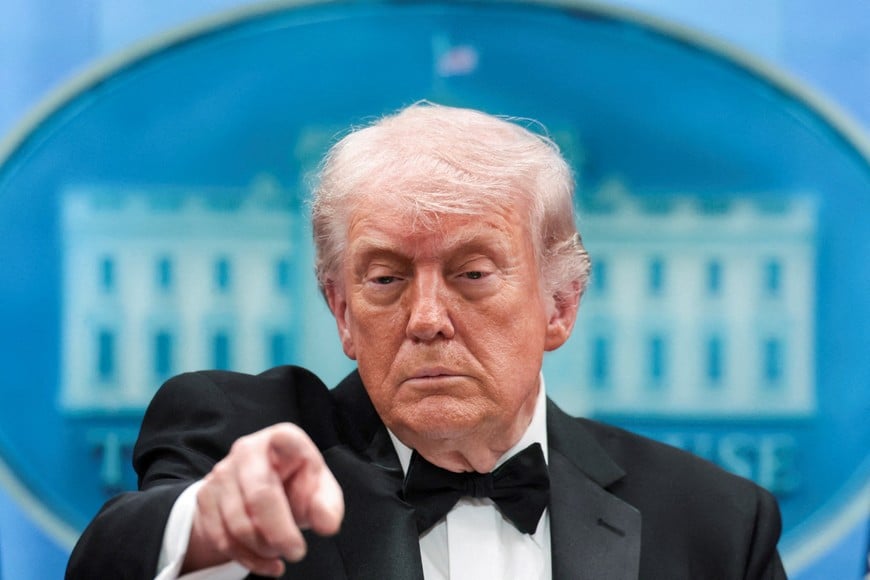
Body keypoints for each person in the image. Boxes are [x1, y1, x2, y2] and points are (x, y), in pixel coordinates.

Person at [66, 102, 787, 580]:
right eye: (386, 279)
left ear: (560, 305)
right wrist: (203, 524)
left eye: (473, 273)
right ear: (342, 311)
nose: (427, 317)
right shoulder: (248, 438)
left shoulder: (714, 526)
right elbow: (110, 557)